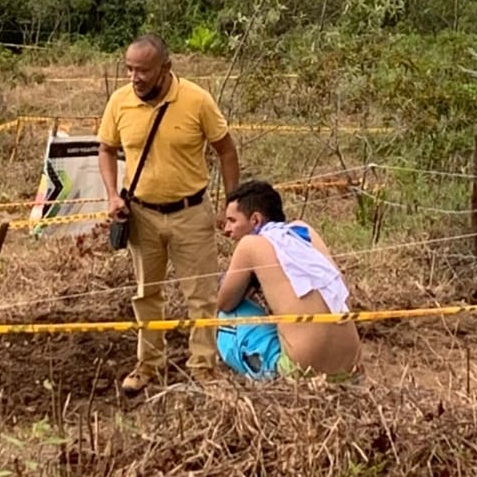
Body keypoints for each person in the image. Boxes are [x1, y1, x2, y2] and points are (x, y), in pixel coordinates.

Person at [98, 33, 239, 394]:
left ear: (166, 68)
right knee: (146, 294)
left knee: (202, 295)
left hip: (191, 213)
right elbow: (106, 149)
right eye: (129, 69)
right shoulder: (120, 102)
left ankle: (204, 367)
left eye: (143, 70)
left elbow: (226, 150)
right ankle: (148, 365)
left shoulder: (196, 100)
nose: (135, 78)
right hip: (142, 215)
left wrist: (230, 203)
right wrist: (113, 195)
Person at [217, 180, 363, 382]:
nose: (226, 229)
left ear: (255, 220)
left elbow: (224, 302)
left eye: (232, 220)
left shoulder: (249, 244)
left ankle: (270, 379)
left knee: (226, 316)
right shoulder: (304, 231)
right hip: (348, 367)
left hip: (300, 370)